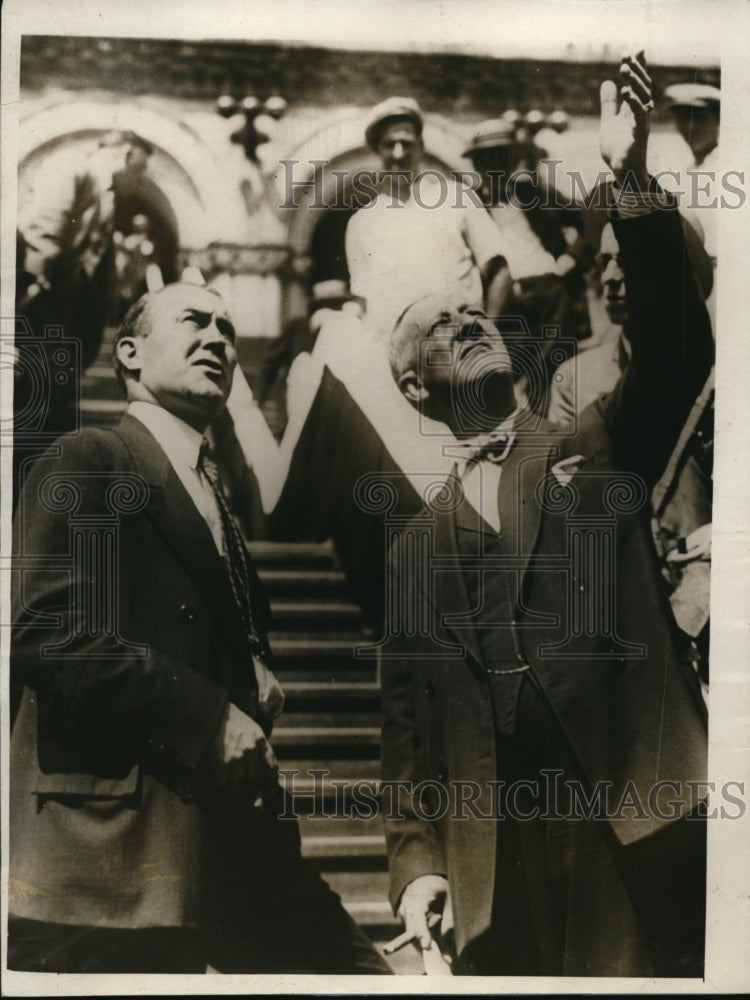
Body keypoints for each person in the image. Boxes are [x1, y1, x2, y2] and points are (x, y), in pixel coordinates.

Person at [379, 52, 712, 976]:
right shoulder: (413, 549)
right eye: (445, 325)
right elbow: (406, 738)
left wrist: (630, 181)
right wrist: (414, 868)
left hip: (632, 815)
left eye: (476, 312)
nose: (473, 319)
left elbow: (682, 346)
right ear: (412, 386)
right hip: (497, 857)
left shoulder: (594, 442)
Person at [8, 282, 391, 975]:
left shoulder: (214, 487)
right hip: (109, 855)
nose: (219, 338)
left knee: (360, 975)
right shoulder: (89, 458)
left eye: (227, 329)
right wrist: (210, 714)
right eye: (194, 321)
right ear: (127, 351)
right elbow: (47, 631)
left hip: (230, 835)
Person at [344, 96, 513, 338]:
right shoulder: (361, 223)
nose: (399, 153)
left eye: (407, 143)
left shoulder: (456, 196)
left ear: (421, 146)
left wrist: (487, 333)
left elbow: (500, 270)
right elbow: (362, 300)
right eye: (389, 144)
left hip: (457, 346)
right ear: (376, 150)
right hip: (389, 357)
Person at [463, 116, 594, 407]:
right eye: (487, 158)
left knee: (549, 379)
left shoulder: (532, 193)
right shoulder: (471, 206)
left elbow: (588, 221)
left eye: (502, 156)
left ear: (513, 159)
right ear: (476, 164)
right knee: (501, 379)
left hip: (549, 295)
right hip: (504, 302)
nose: (495, 165)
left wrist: (571, 260)